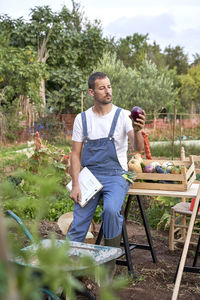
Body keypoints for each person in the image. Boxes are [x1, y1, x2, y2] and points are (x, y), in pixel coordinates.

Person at [67, 71, 145, 251]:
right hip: (90, 177)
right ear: (91, 92)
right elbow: (75, 154)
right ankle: (68, 268)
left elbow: (138, 148)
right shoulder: (82, 119)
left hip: (116, 175)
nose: (108, 91)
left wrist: (138, 129)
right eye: (102, 88)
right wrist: (76, 185)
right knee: (79, 221)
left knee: (110, 211)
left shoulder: (124, 116)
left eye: (109, 87)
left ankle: (109, 262)